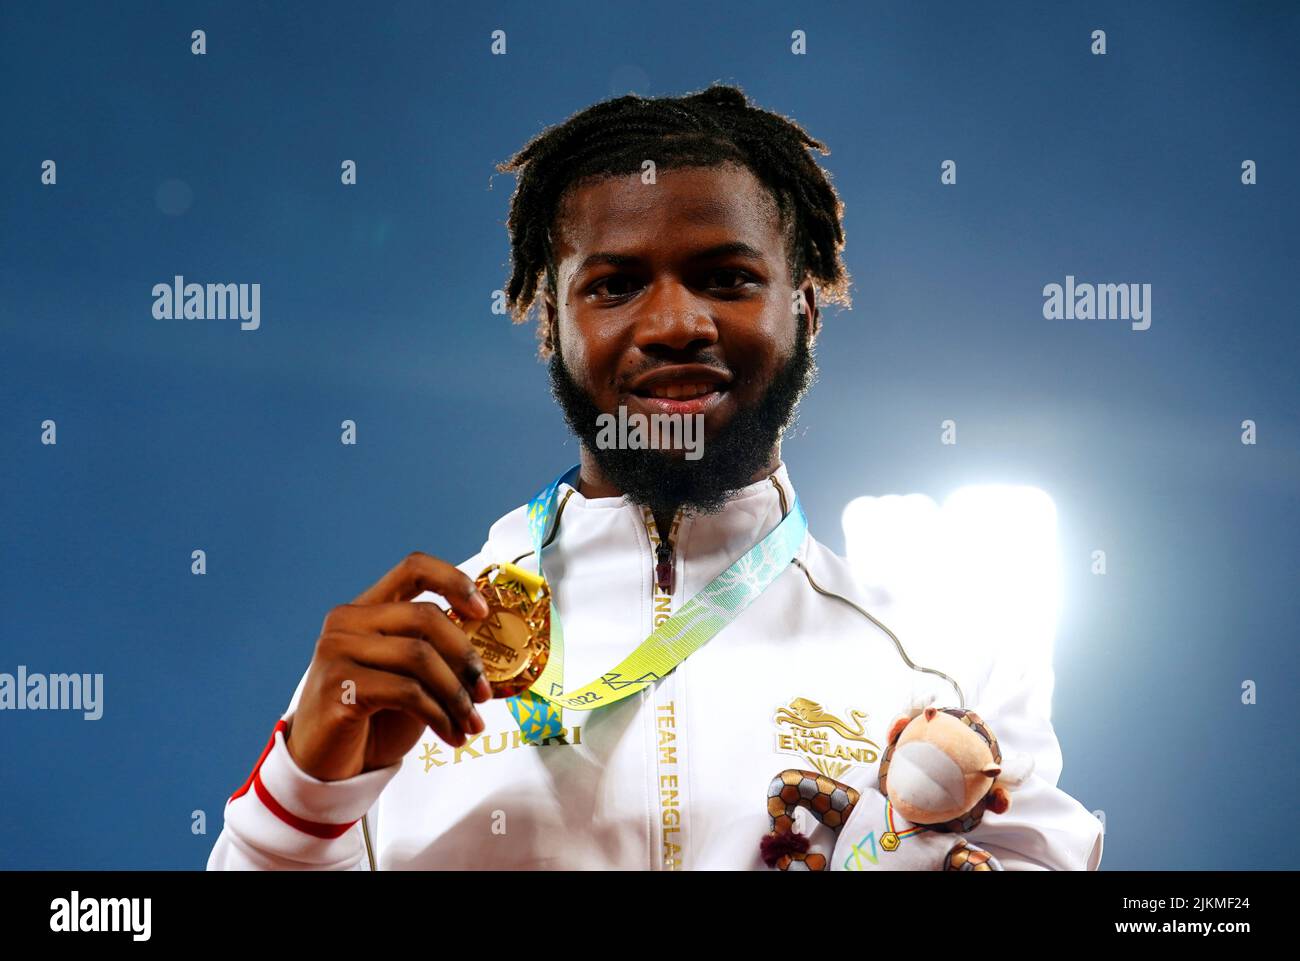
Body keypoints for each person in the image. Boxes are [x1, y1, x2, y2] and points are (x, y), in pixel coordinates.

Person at [206, 84, 1103, 871]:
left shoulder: (948, 662)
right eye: (615, 285)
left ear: (806, 309)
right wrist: (299, 800)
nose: (675, 321)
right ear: (549, 324)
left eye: (725, 277)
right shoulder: (415, 662)